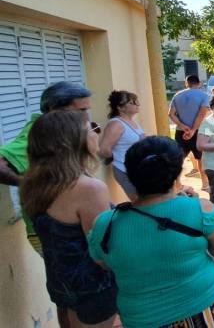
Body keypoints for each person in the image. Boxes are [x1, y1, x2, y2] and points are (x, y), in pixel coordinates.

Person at [88, 136, 214, 327]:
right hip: (203, 307)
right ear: (177, 174)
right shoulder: (201, 210)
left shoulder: (105, 224)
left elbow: (103, 262)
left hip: (141, 318)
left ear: (130, 174)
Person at [22, 110, 116, 328]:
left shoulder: (34, 183)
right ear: (74, 141)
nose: (96, 132)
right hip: (93, 289)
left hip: (61, 282)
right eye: (90, 128)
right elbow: (102, 253)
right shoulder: (88, 188)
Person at [0, 81, 93, 255]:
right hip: (52, 230)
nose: (86, 117)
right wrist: (30, 184)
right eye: (81, 111)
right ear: (53, 108)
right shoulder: (38, 133)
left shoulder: (62, 132)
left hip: (65, 226)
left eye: (87, 110)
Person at [98, 90, 146, 201]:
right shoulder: (116, 124)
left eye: (136, 101)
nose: (137, 104)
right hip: (125, 170)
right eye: (131, 103)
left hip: (137, 169)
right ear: (120, 107)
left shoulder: (131, 121)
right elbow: (104, 149)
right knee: (141, 202)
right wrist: (118, 157)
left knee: (147, 200)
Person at [169, 75, 210, 186]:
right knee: (201, 158)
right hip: (198, 131)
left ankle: (177, 184)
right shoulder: (204, 96)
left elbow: (171, 114)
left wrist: (182, 126)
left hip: (181, 132)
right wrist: (193, 130)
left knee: (179, 158)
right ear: (199, 83)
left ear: (186, 83)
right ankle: (204, 183)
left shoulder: (177, 95)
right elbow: (202, 114)